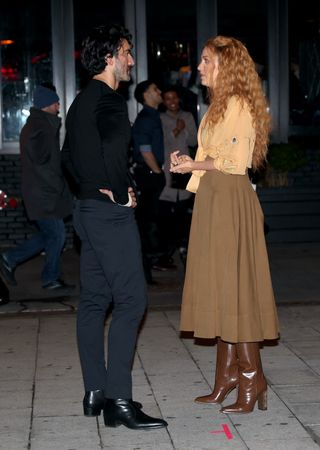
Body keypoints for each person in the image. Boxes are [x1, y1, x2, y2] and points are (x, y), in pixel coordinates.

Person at [61, 24, 167, 430]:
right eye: (126, 52)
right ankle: (119, 401)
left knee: (92, 302)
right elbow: (111, 152)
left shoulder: (79, 102)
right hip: (108, 216)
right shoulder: (108, 101)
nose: (131, 60)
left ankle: (95, 392)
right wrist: (121, 193)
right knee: (131, 302)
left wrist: (93, 189)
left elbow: (68, 157)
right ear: (108, 57)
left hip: (86, 212)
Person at [170, 36, 279, 414]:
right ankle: (226, 377)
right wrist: (189, 161)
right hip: (213, 199)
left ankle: (252, 379)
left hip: (230, 199)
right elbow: (214, 155)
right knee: (220, 287)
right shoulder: (217, 105)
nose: (198, 67)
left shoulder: (238, 105)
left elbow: (236, 162)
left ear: (224, 66)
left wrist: (192, 165)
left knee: (235, 289)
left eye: (204, 60)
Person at [0, 85, 74, 294]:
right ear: (47, 104)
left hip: (43, 192)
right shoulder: (41, 126)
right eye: (56, 102)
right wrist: (57, 186)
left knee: (51, 235)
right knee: (57, 236)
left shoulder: (40, 124)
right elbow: (42, 161)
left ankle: (12, 259)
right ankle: (47, 277)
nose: (59, 106)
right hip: (44, 193)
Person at [131, 81, 169, 280]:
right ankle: (145, 269)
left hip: (150, 174)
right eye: (156, 89)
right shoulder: (146, 118)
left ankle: (150, 265)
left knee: (149, 222)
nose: (159, 91)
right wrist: (158, 172)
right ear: (146, 95)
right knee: (147, 224)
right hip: (148, 175)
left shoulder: (152, 116)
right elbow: (145, 150)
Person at [159, 86, 197, 261]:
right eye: (167, 98)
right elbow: (164, 141)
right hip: (168, 168)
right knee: (167, 211)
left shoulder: (187, 116)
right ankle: (167, 249)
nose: (172, 101)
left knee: (183, 208)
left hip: (185, 167)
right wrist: (177, 129)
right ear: (163, 101)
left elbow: (194, 141)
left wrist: (184, 128)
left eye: (174, 98)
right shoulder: (160, 118)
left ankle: (184, 246)